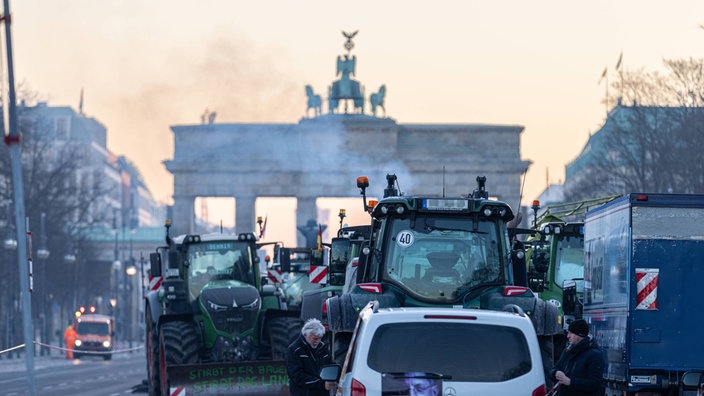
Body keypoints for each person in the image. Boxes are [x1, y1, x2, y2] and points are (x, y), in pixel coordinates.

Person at [549, 319, 605, 396]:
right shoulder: (568, 351)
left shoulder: (594, 355)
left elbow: (595, 384)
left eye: (571, 333)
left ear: (580, 335)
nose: (568, 336)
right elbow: (554, 368)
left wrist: (570, 382)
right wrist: (555, 373)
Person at [285, 318, 335, 396]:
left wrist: (335, 377)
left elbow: (331, 366)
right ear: (305, 335)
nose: (318, 341)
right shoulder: (294, 350)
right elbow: (298, 377)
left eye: (320, 338)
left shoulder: (323, 349)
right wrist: (322, 384)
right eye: (315, 338)